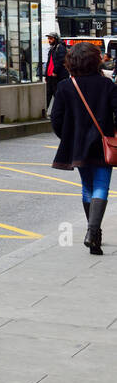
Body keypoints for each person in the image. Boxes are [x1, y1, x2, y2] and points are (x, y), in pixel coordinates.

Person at [51, 42, 116, 255]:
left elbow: (56, 119)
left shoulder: (64, 86)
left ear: (71, 62)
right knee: (101, 186)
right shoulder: (107, 85)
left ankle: (94, 234)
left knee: (87, 186)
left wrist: (68, 137)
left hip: (77, 145)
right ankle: (92, 232)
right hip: (102, 143)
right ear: (95, 60)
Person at [45, 33, 67, 108]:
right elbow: (49, 62)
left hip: (57, 76)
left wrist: (55, 72)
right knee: (48, 94)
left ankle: (60, 111)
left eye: (51, 39)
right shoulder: (52, 48)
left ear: (55, 39)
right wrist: (46, 74)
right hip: (50, 76)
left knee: (57, 94)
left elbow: (61, 61)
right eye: (49, 39)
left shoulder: (60, 47)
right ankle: (45, 111)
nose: (49, 40)